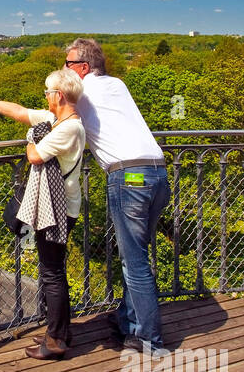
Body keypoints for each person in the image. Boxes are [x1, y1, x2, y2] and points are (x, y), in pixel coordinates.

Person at [0, 67, 86, 360]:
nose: (45, 96)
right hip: (59, 205)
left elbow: (34, 155)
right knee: (54, 271)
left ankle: (55, 340)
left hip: (57, 208)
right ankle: (61, 331)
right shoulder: (56, 120)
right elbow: (18, 111)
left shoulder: (69, 128)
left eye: (48, 92)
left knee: (52, 273)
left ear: (60, 95)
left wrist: (32, 136)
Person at [64, 38, 171, 354]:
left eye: (67, 65)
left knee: (135, 261)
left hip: (129, 177)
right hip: (157, 174)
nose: (63, 70)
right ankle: (128, 321)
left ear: (82, 68)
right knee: (136, 255)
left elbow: (56, 120)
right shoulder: (117, 85)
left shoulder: (81, 91)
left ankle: (150, 339)